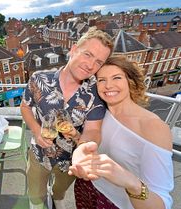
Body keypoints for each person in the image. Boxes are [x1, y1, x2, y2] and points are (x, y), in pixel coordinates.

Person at [20, 27, 113, 209]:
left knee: (60, 190)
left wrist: (80, 141)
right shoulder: (39, 78)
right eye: (87, 54)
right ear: (73, 49)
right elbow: (25, 107)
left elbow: (93, 131)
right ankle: (37, 202)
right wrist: (37, 131)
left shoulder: (96, 94)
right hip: (39, 154)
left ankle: (57, 199)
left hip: (70, 160)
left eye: (98, 62)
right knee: (35, 194)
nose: (90, 65)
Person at [69, 56, 174, 209]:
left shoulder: (154, 127)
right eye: (101, 80)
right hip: (87, 187)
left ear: (130, 81)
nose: (108, 85)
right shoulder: (99, 112)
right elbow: (97, 145)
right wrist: (76, 137)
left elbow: (161, 204)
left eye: (116, 78)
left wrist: (131, 182)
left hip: (117, 203)